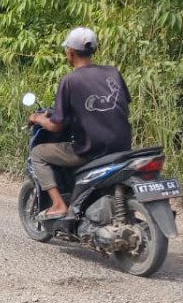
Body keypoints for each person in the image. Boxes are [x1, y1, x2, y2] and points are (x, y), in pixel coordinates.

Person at [28, 27, 133, 221]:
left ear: (70, 52)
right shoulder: (113, 72)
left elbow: (56, 126)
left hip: (91, 149)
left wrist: (37, 118)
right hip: (122, 147)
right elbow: (123, 106)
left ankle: (59, 205)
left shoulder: (69, 80)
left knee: (38, 154)